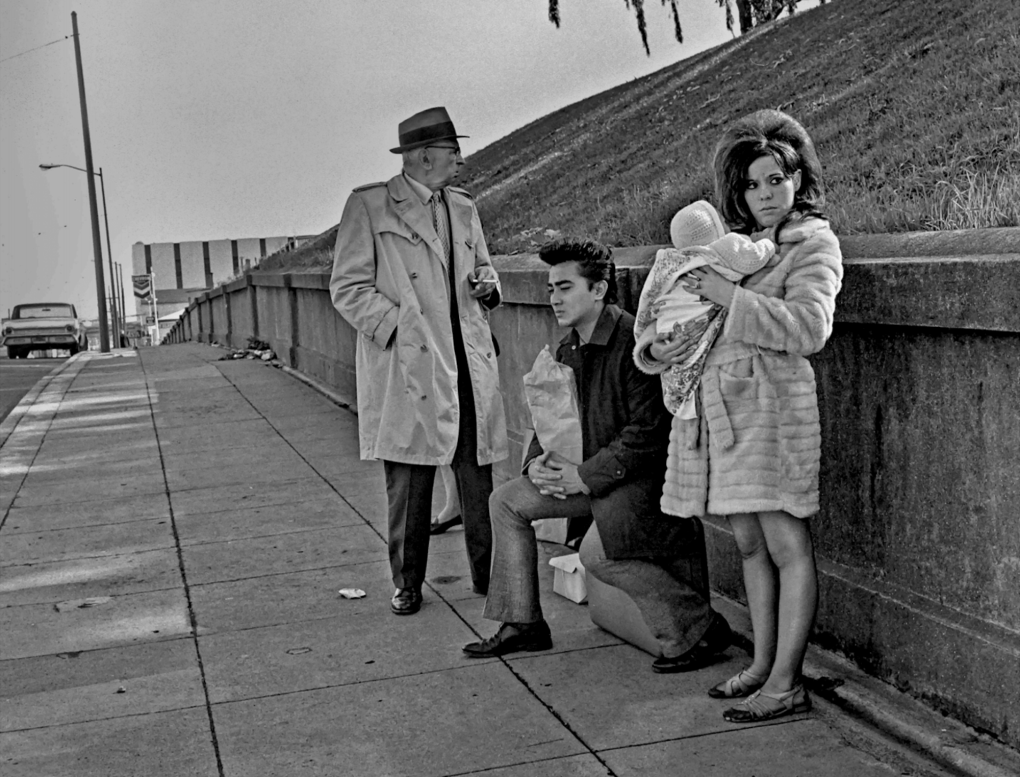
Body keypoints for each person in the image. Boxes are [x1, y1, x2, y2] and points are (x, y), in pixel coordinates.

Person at [641, 109, 843, 722]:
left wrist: (731, 296)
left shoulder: (813, 244)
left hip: (773, 411)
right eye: (753, 185)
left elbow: (810, 328)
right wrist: (658, 349)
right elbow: (669, 318)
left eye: (776, 180)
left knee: (786, 543)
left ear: (797, 177)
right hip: (726, 414)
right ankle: (760, 665)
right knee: (751, 546)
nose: (766, 195)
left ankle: (786, 682)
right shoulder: (728, 247)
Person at [463, 240, 732, 669]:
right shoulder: (569, 345)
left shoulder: (634, 340)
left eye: (565, 287)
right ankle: (523, 623)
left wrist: (583, 476)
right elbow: (551, 419)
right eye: (551, 288)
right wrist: (539, 465)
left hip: (643, 483)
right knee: (507, 500)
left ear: (600, 289)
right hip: (594, 479)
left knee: (596, 554)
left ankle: (699, 628)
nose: (554, 298)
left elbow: (647, 434)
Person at [330, 106, 508, 616]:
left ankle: (489, 575)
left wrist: (488, 286)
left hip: (466, 356)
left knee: (477, 474)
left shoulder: (464, 208)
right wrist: (398, 329)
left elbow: (485, 267)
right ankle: (407, 583)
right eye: (454, 151)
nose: (460, 159)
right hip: (412, 362)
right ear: (425, 156)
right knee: (409, 479)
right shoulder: (370, 206)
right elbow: (346, 287)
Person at [633, 199, 775, 418]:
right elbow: (753, 257)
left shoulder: (670, 268)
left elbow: (656, 309)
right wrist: (768, 243)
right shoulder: (725, 251)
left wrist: (727, 295)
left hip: (735, 401)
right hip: (712, 402)